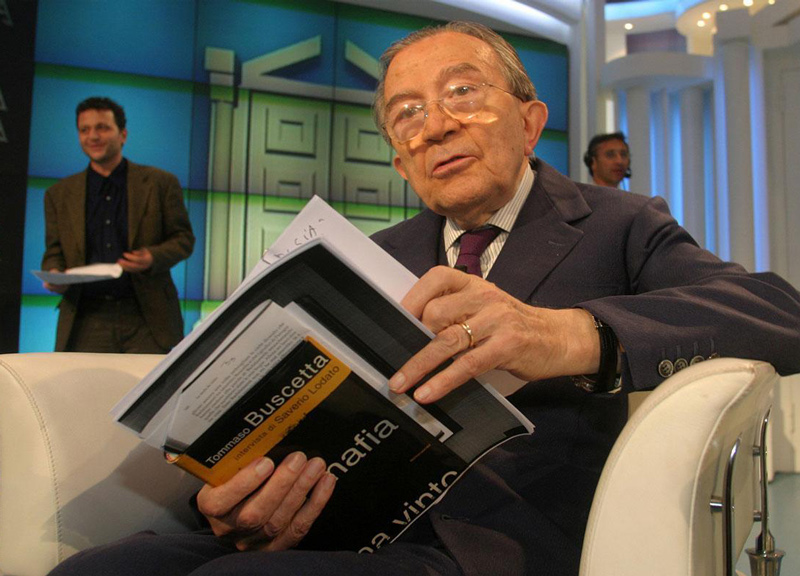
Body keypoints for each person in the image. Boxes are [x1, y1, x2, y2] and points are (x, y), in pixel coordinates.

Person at [48, 22, 800, 576]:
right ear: (401, 161)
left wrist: (569, 336)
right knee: (97, 570)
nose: (435, 125)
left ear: (531, 121)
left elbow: (777, 311)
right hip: (327, 531)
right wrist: (235, 501)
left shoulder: (617, 224)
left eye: (463, 93)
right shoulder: (368, 258)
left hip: (493, 544)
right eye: (407, 113)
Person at [41, 97, 195, 354]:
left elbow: (183, 239)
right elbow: (54, 250)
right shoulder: (59, 194)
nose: (93, 136)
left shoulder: (160, 183)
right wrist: (54, 274)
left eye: (102, 128)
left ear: (123, 135)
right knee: (87, 381)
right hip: (86, 317)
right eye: (84, 130)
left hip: (146, 315)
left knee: (151, 380)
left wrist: (152, 257)